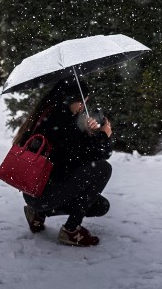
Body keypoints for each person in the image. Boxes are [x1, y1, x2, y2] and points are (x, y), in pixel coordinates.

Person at [13, 77, 113, 247]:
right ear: (70, 98)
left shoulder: (49, 113)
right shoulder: (61, 120)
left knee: (100, 206)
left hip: (34, 193)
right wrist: (103, 135)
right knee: (103, 169)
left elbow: (72, 152)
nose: (82, 107)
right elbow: (94, 156)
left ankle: (37, 213)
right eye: (81, 102)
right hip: (44, 194)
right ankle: (71, 230)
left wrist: (88, 135)